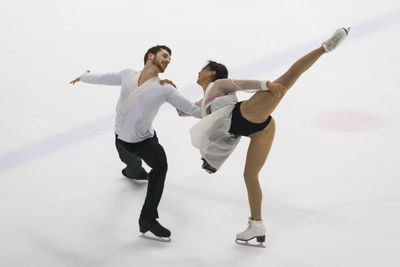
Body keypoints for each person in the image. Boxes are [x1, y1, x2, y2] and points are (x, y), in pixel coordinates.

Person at [187, 28, 350, 246]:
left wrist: (266, 85)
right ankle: (257, 224)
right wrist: (164, 92)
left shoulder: (218, 85)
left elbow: (239, 84)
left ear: (211, 73)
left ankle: (324, 47)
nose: (199, 72)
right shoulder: (205, 100)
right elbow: (186, 110)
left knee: (286, 80)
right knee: (250, 176)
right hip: (261, 128)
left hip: (245, 114)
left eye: (203, 69)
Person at [69, 45, 202, 240]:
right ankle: (135, 172)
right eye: (165, 56)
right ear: (150, 56)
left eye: (169, 58)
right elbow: (103, 78)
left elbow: (192, 109)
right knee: (132, 168)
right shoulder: (127, 74)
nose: (168, 60)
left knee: (160, 165)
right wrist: (83, 76)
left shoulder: (165, 88)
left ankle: (147, 218)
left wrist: (220, 111)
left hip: (144, 141)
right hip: (120, 139)